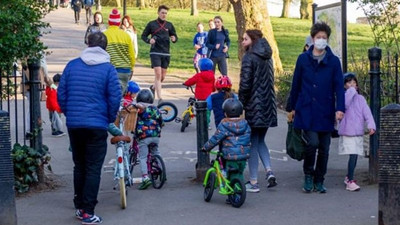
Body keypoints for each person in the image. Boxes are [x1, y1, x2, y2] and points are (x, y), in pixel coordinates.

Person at [57, 32, 121, 224]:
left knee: (80, 165)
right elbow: (114, 97)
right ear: (105, 48)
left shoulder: (72, 65)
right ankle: (88, 211)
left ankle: (79, 205)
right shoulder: (108, 69)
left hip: (75, 124)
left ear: (88, 44)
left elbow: (62, 93)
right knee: (93, 168)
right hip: (97, 124)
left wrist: (71, 113)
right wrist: (108, 118)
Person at [288, 22, 345, 193]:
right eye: (318, 37)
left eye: (324, 38)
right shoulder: (303, 59)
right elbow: (296, 84)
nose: (321, 40)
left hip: (326, 110)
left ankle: (320, 179)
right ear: (313, 39)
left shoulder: (333, 61)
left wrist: (340, 108)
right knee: (312, 143)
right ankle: (308, 175)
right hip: (306, 109)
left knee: (325, 148)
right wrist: (291, 107)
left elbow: (339, 87)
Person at [238, 29, 277, 193]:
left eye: (245, 39)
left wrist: (240, 103)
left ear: (253, 40)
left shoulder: (249, 57)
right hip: (268, 105)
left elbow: (245, 84)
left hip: (254, 106)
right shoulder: (268, 57)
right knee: (260, 140)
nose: (242, 42)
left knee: (252, 143)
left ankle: (253, 181)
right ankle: (269, 171)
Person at [201, 98, 251, 201]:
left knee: (231, 174)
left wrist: (206, 148)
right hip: (243, 155)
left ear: (225, 113)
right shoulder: (245, 124)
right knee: (239, 173)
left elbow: (215, 139)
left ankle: (234, 196)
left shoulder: (224, 124)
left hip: (230, 156)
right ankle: (239, 190)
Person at [338, 73, 376, 192]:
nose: (352, 85)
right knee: (353, 155)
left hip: (357, 131)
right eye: (349, 83)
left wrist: (371, 125)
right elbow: (345, 104)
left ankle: (349, 176)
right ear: (344, 85)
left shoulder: (360, 99)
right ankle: (350, 180)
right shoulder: (344, 96)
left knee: (354, 155)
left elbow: (367, 112)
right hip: (348, 131)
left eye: (354, 83)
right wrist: (351, 92)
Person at [141, 5, 178, 103]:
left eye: (165, 13)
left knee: (162, 76)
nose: (164, 15)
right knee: (158, 74)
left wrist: (174, 38)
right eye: (162, 13)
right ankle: (160, 97)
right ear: (158, 13)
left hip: (166, 53)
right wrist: (149, 41)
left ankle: (153, 87)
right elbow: (143, 36)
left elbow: (174, 36)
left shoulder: (169, 25)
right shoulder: (152, 24)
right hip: (155, 52)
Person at [135, 89, 164, 190]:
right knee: (156, 152)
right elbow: (161, 121)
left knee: (142, 157)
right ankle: (162, 171)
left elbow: (139, 108)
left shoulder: (141, 108)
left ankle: (145, 178)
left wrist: (133, 105)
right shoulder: (155, 109)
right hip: (156, 135)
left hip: (144, 136)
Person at [103, 8, 136, 92]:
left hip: (109, 69)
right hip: (124, 70)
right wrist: (131, 67)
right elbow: (131, 55)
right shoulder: (126, 36)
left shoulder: (104, 35)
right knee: (120, 95)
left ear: (109, 22)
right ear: (118, 23)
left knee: (108, 94)